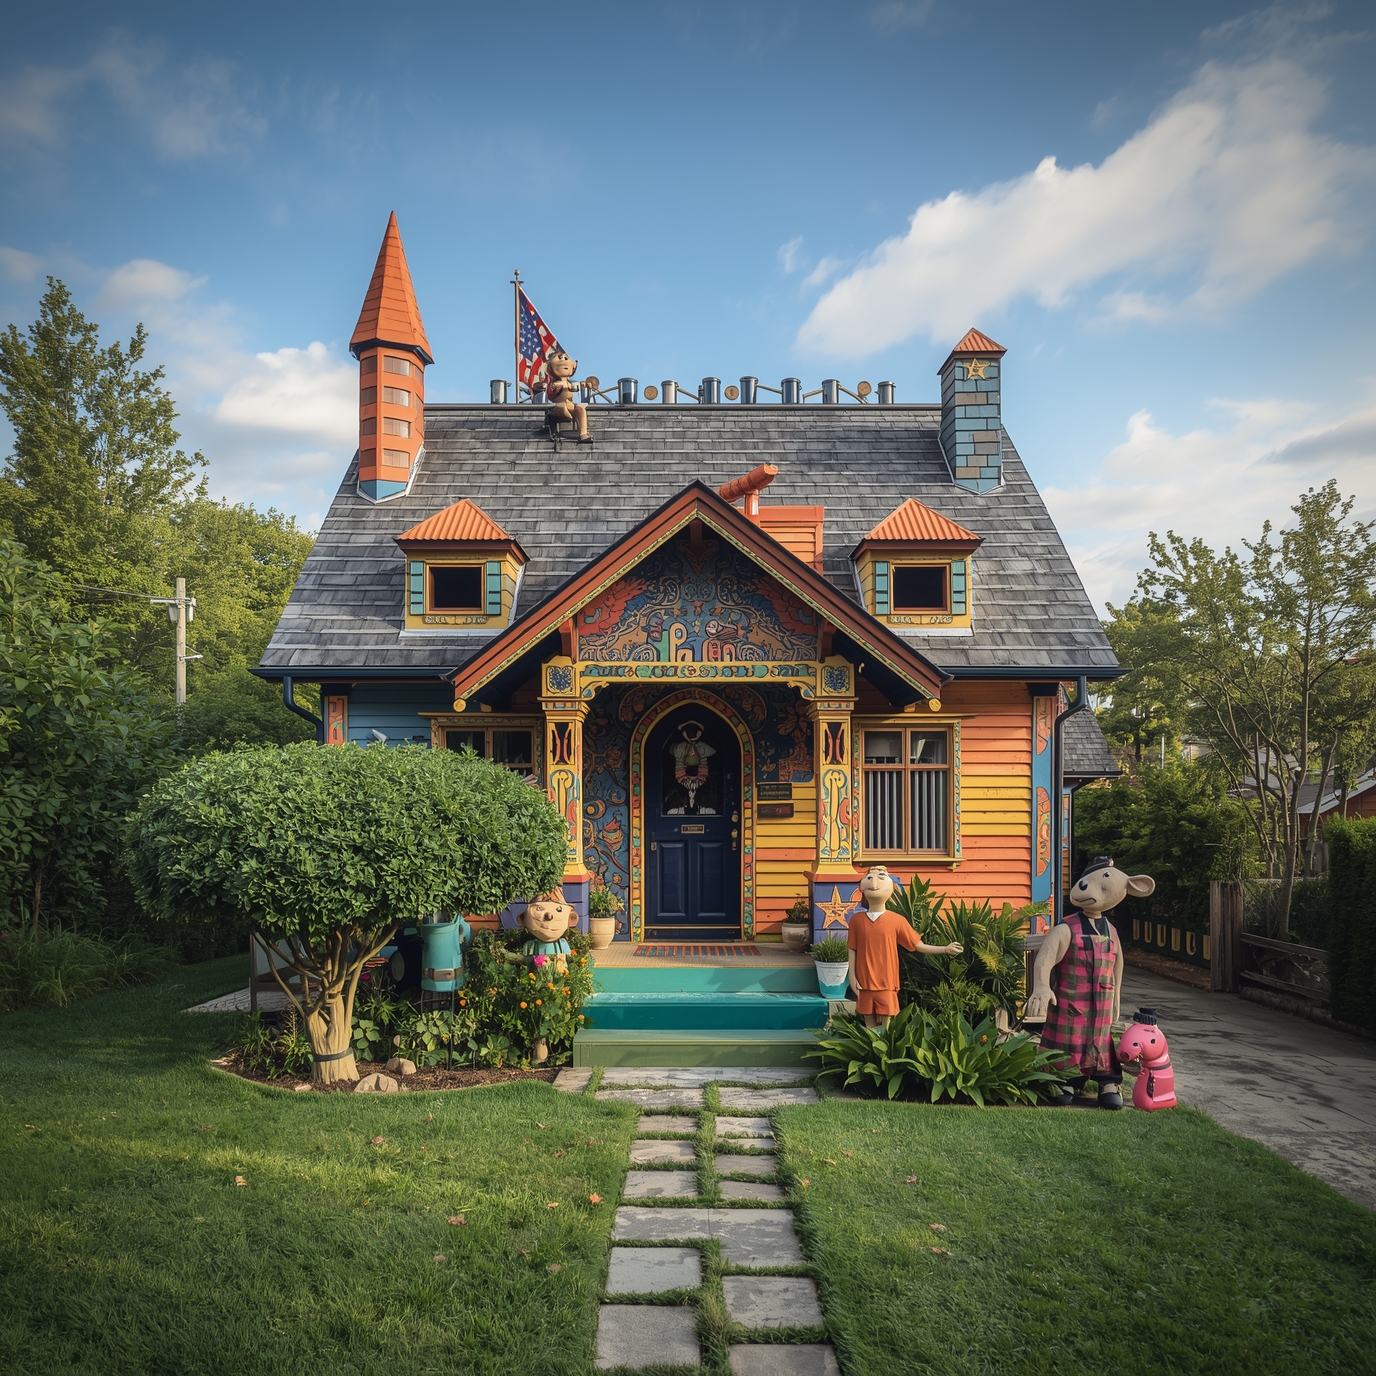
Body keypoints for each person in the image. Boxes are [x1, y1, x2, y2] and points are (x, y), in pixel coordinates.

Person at [846, 866, 963, 1027]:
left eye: (881, 876)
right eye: (870, 877)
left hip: (887, 982)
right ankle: (871, 1048)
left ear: (892, 888)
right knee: (868, 1017)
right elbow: (852, 951)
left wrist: (945, 949)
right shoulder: (856, 921)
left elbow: (918, 945)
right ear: (862, 887)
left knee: (887, 1018)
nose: (874, 882)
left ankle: (886, 1047)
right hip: (864, 983)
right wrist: (853, 979)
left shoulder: (897, 920)